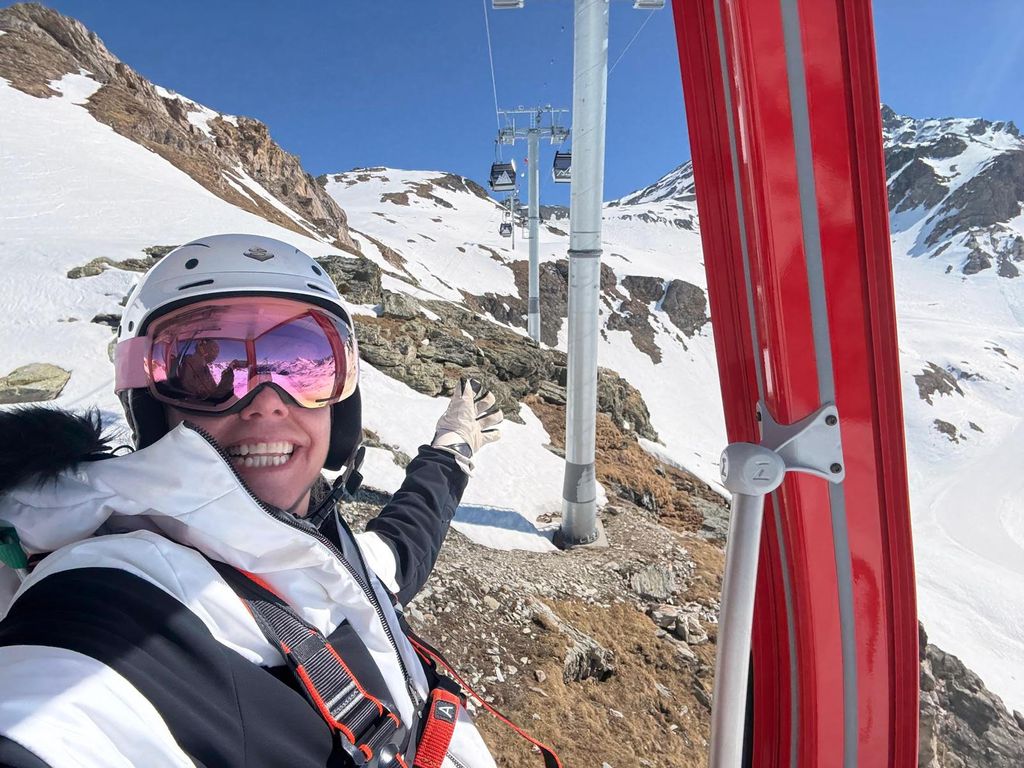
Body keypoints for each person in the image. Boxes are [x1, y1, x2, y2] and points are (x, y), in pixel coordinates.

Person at [0, 234, 506, 768]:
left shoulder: (321, 557)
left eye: (303, 363)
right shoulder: (117, 592)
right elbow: (57, 714)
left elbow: (399, 549)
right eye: (212, 373)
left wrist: (452, 452)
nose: (267, 404)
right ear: (151, 406)